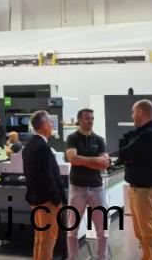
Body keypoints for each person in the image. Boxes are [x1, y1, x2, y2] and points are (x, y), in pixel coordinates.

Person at [118, 99, 152, 260]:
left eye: (133, 112)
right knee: (142, 235)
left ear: (140, 113)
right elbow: (127, 153)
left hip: (147, 193)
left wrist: (126, 155)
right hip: (141, 191)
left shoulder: (149, 134)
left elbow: (124, 154)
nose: (131, 116)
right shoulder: (147, 132)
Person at [65, 108, 109, 260]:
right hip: (77, 188)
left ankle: (101, 257)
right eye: (87, 118)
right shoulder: (72, 138)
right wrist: (95, 160)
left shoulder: (99, 140)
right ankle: (72, 257)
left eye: (92, 118)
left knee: (102, 229)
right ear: (79, 120)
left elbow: (105, 164)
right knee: (72, 229)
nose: (90, 121)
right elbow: (73, 159)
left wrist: (84, 161)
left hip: (96, 187)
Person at [23, 110, 66, 260]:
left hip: (35, 199)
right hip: (47, 201)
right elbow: (48, 178)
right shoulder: (42, 147)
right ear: (44, 125)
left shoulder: (29, 146)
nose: (52, 124)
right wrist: (57, 200)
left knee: (40, 238)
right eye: (50, 122)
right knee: (48, 239)